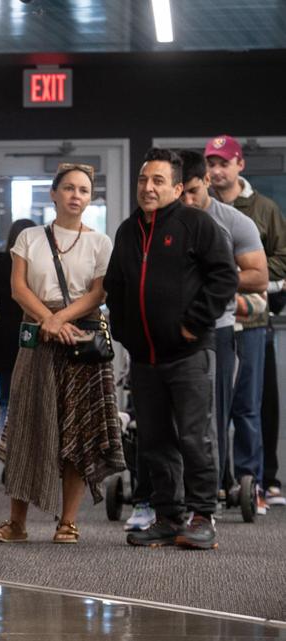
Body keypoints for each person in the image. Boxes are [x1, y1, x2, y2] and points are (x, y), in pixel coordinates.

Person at [105, 148, 237, 550]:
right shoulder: (129, 230)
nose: (148, 187)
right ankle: (167, 516)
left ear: (178, 187)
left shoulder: (196, 224)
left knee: (195, 438)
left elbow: (225, 276)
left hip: (189, 354)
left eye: (158, 180)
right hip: (145, 358)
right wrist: (128, 333)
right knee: (155, 440)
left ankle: (202, 517)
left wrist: (192, 324)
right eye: (144, 180)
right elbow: (115, 285)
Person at [0, 163, 125, 544]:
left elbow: (99, 293)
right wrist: (48, 320)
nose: (76, 195)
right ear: (53, 193)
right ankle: (16, 523)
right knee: (27, 429)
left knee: (78, 431)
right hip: (38, 338)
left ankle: (67, 521)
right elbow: (18, 288)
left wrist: (60, 319)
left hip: (82, 341)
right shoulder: (30, 238)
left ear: (90, 197)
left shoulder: (101, 242)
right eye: (68, 188)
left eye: (83, 190)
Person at [179, 149, 269, 515]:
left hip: (216, 330)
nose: (187, 200)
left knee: (215, 416)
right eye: (180, 192)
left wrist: (213, 281)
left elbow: (259, 276)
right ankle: (163, 496)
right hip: (165, 332)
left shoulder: (233, 222)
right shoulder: (158, 224)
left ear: (206, 185)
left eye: (194, 191)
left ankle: (210, 495)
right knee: (162, 418)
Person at [205, 135, 286, 508]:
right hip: (209, 321)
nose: (216, 171)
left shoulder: (264, 209)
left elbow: (281, 259)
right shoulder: (199, 208)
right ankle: (218, 482)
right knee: (213, 406)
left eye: (224, 163)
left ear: (240, 165)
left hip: (252, 319)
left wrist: (237, 272)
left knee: (249, 406)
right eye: (211, 163)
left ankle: (250, 482)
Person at [0, 219, 38, 428]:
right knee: (30, 386)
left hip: (1, 330)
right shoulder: (35, 264)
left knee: (6, 387)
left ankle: (4, 430)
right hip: (29, 328)